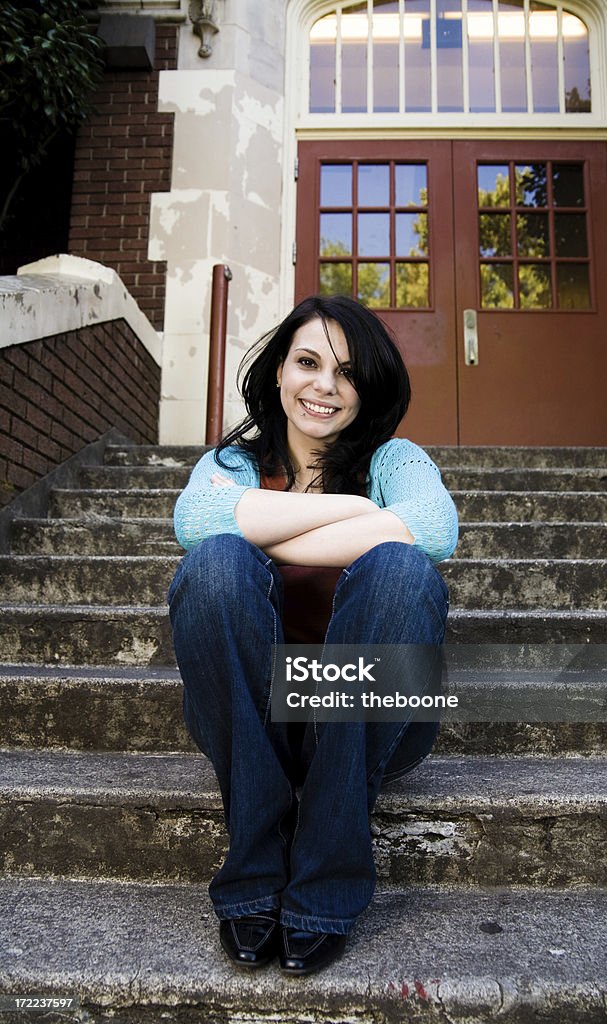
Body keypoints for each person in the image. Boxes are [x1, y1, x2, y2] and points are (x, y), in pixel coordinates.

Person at [168, 294, 458, 977]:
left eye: (348, 372)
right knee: (214, 564)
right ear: (277, 371)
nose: (324, 386)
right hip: (254, 710)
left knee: (400, 569)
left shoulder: (395, 462)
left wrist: (277, 529)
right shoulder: (232, 463)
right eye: (307, 362)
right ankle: (255, 873)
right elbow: (195, 523)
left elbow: (435, 528)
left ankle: (323, 892)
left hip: (368, 716)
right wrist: (360, 515)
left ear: (368, 389)